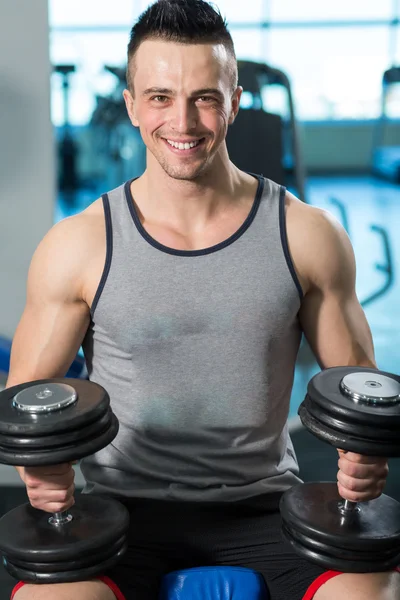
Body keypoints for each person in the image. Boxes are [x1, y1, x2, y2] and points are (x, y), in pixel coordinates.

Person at [7, 1, 400, 599]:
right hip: (121, 511)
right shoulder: (80, 244)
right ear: (133, 104)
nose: (183, 122)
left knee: (370, 591)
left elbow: (358, 390)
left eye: (205, 97)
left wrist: (363, 457)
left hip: (267, 506)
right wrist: (41, 472)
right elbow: (24, 406)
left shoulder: (306, 234)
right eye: (160, 96)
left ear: (236, 100)